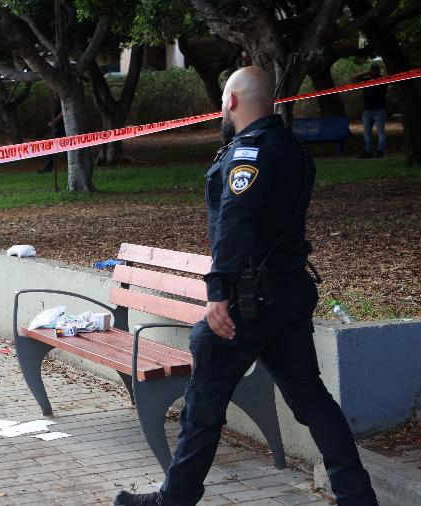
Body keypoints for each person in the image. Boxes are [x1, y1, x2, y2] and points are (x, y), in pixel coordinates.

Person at [113, 67, 378, 506]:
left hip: (248, 301)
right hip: (288, 294)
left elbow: (236, 222)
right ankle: (358, 497)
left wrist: (218, 290)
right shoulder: (293, 147)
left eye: (222, 100)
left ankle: (173, 500)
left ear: (231, 101)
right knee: (311, 399)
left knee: (202, 405)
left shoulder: (248, 152)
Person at [356, 63, 387, 158]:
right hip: (367, 110)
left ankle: (380, 151)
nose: (375, 72)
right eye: (373, 70)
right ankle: (368, 151)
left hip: (379, 110)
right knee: (367, 133)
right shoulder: (366, 80)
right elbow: (354, 79)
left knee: (381, 132)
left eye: (376, 70)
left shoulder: (383, 80)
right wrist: (365, 73)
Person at [37, 94, 64, 174]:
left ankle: (48, 168)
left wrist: (54, 121)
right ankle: (48, 167)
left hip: (61, 128)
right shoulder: (56, 102)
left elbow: (63, 113)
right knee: (52, 148)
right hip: (57, 128)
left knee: (53, 147)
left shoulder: (63, 101)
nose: (53, 95)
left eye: (55, 93)